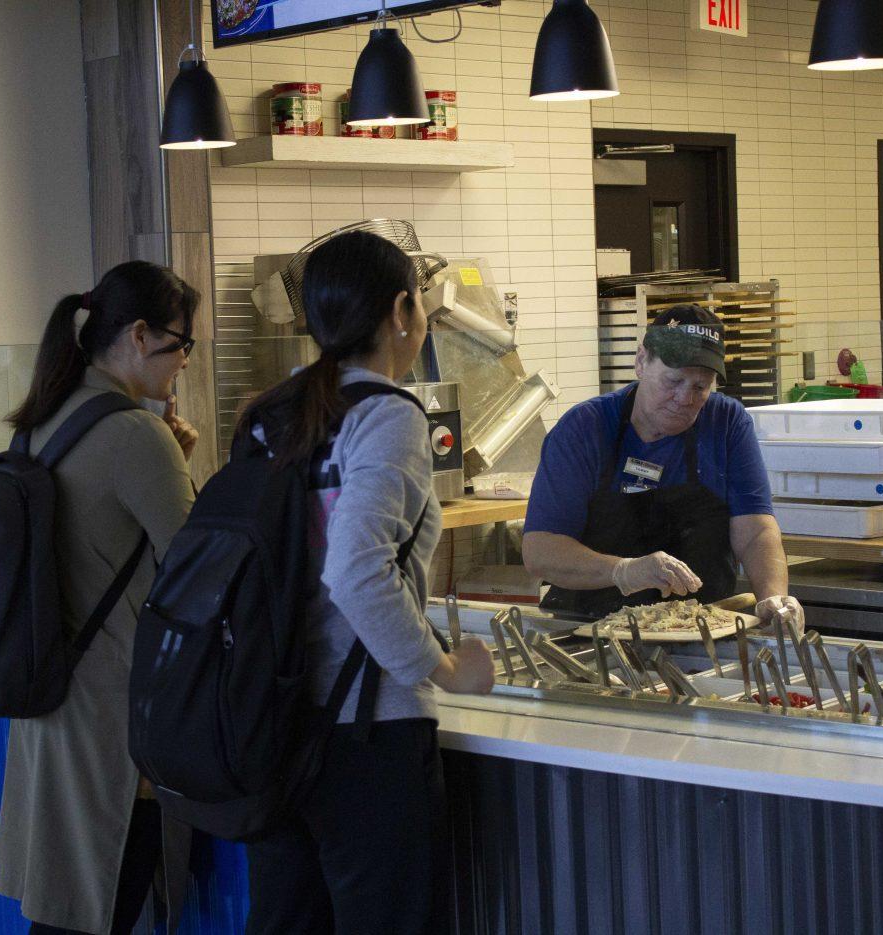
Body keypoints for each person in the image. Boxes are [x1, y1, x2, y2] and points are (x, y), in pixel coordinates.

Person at [237, 230, 495, 935]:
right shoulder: (385, 415)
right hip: (364, 734)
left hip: (275, 721)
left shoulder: (274, 414)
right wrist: (441, 668)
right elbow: (356, 571)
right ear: (402, 311)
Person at [0, 261, 201, 935]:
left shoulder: (39, 421)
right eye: (180, 346)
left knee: (64, 914)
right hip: (113, 727)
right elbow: (200, 570)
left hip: (48, 704)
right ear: (139, 335)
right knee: (96, 909)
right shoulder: (136, 436)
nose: (184, 365)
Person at [523, 304, 803, 630]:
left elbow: (755, 531)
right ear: (641, 362)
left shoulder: (726, 422)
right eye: (673, 380)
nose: (685, 398)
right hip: (591, 631)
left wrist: (773, 597)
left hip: (700, 630)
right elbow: (540, 550)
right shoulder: (585, 429)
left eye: (700, 387)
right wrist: (624, 571)